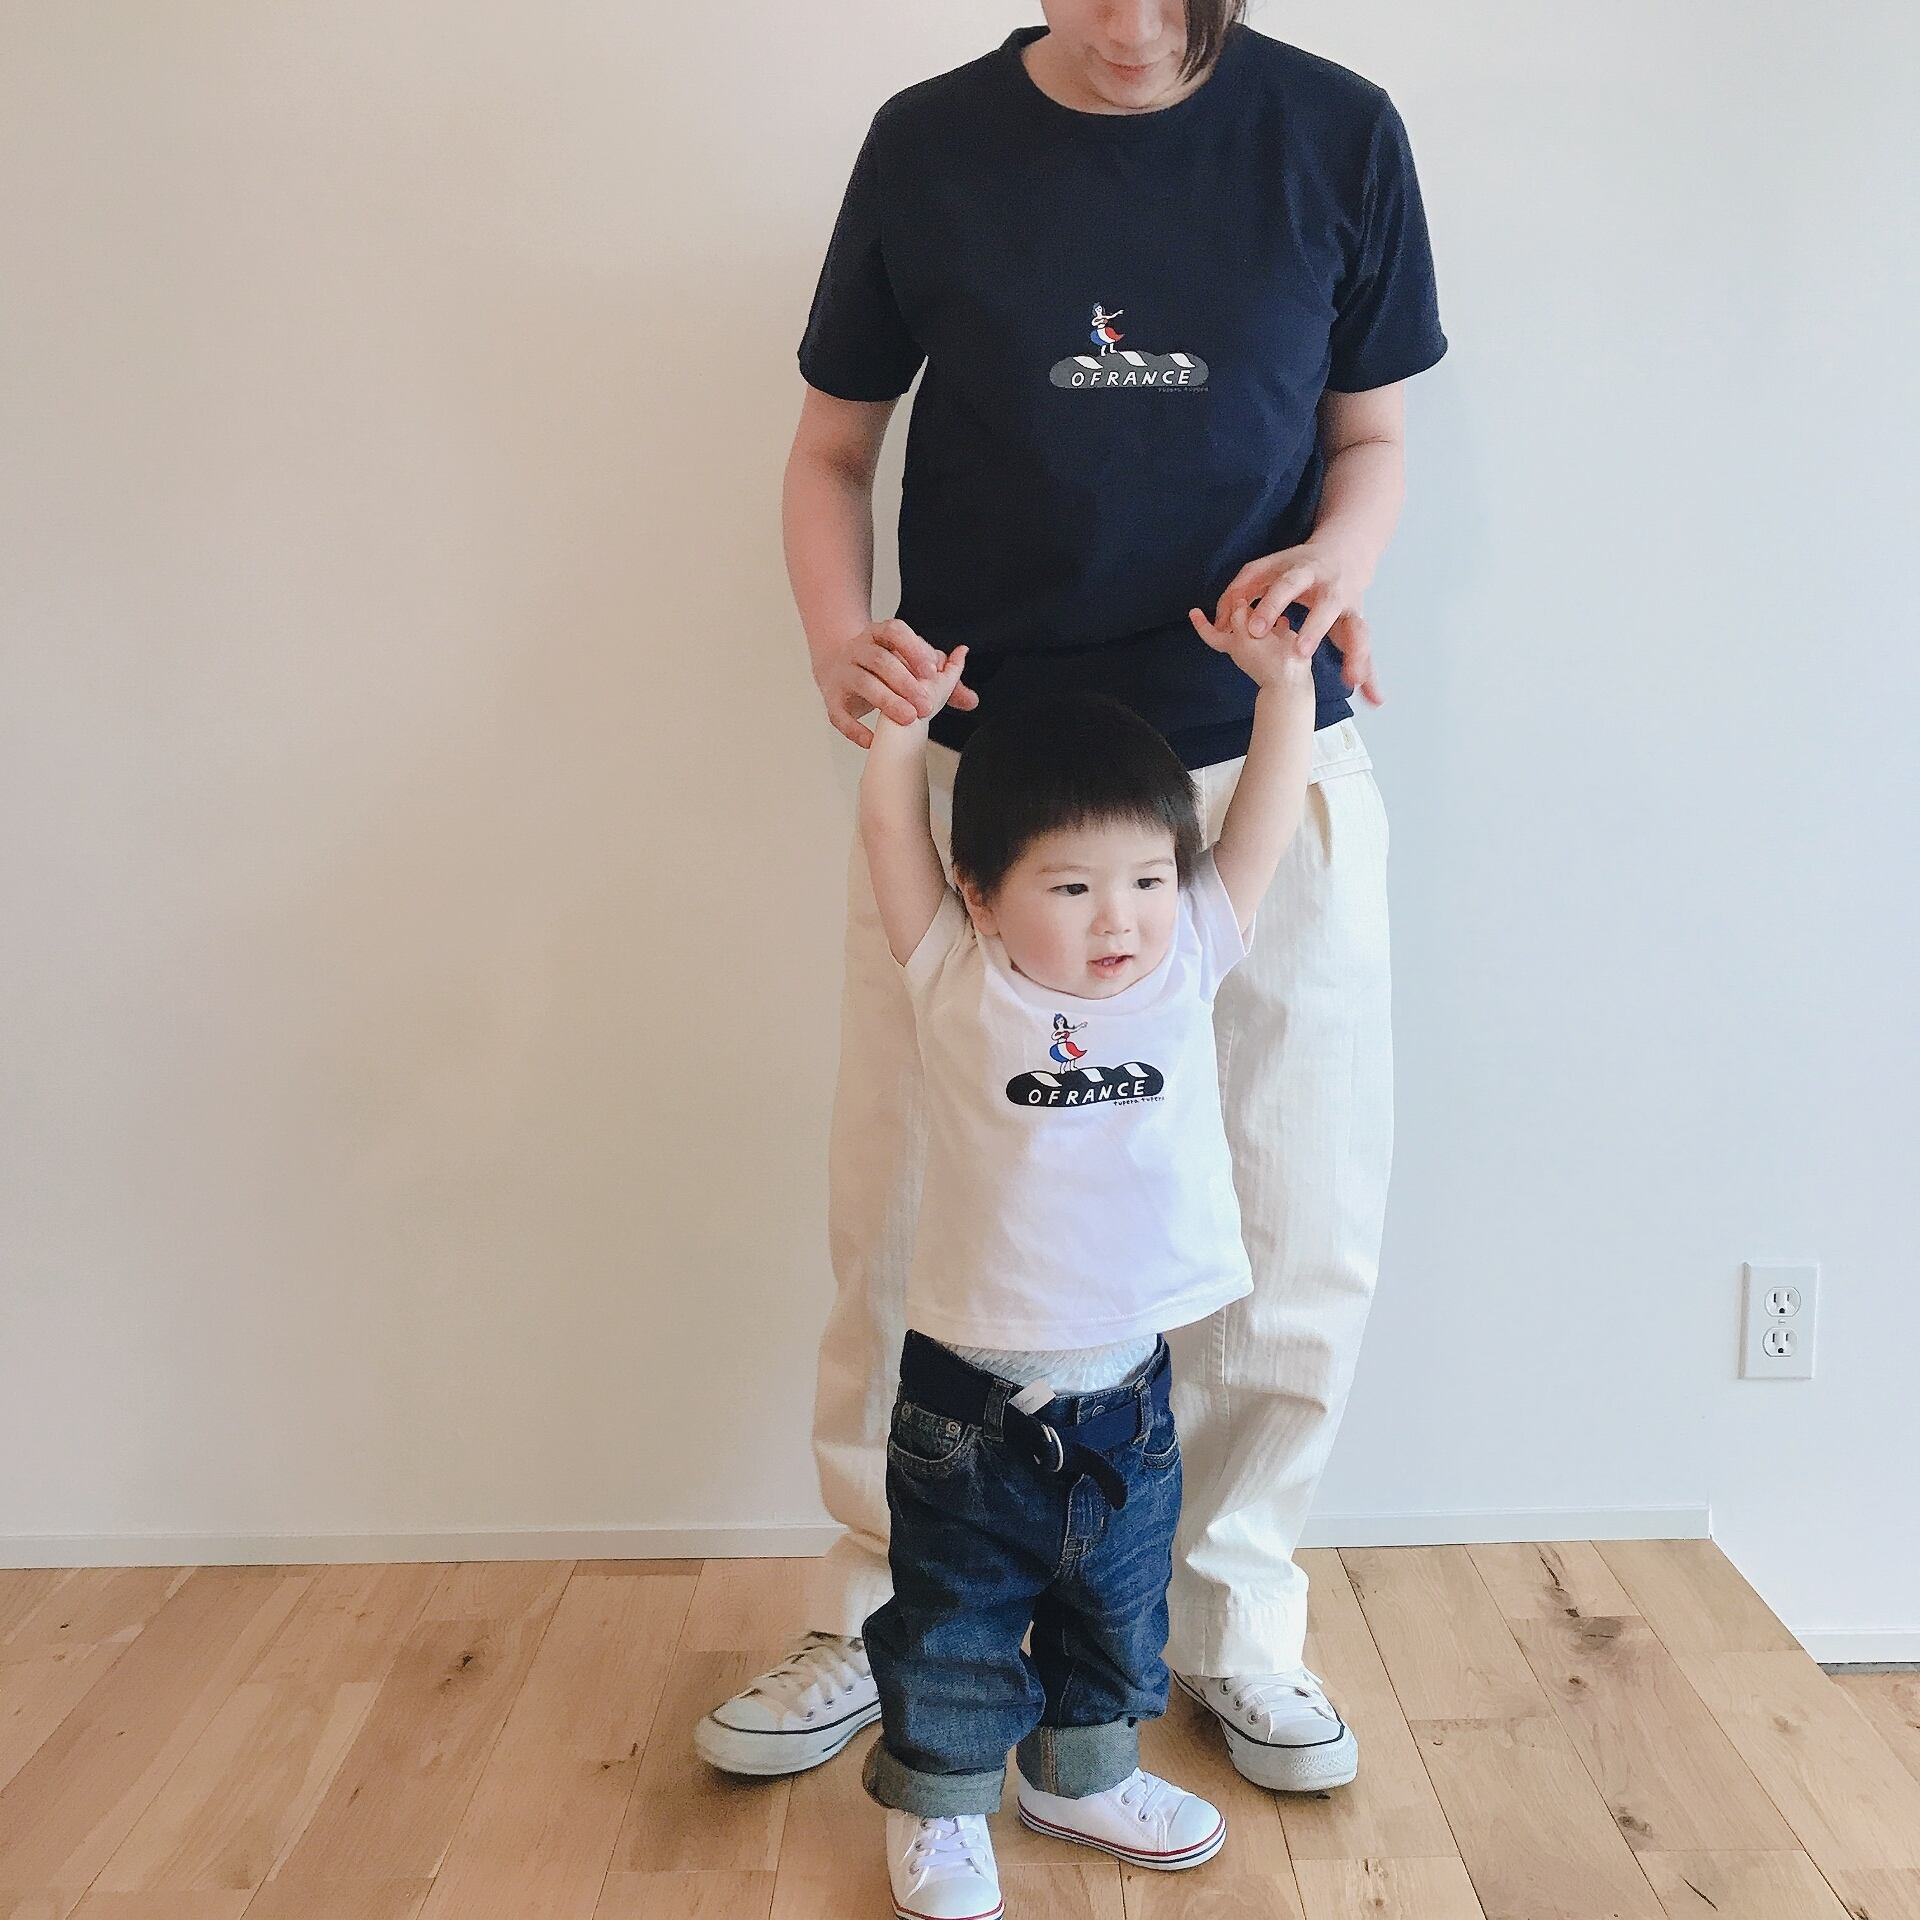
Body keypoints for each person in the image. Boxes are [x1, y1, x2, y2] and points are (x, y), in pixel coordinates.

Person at [695, 0, 1446, 1797]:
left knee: (1292, 1206)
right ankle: (884, 1607)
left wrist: (1337, 557)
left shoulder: (1336, 133)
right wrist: (838, 643)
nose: (1132, 29)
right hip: (990, 797)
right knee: (909, 1214)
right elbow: (830, 450)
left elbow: (1372, 437)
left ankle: (1233, 1620)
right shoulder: (931, 142)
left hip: (1256, 765)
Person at [857, 615, 1317, 1918]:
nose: (1120, 919)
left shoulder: (1188, 959)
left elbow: (1265, 821)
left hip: (1128, 1400)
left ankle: (1083, 1778)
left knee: (1115, 1618)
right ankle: (943, 1808)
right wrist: (901, 735)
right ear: (979, 892)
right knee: (952, 1628)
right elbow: (891, 833)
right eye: (1070, 889)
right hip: (969, 1408)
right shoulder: (956, 975)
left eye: (1148, 880)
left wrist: (1285, 690)